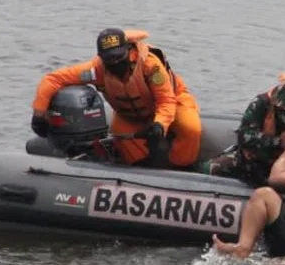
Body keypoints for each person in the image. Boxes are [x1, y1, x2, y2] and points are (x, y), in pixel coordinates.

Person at [31, 28, 202, 168]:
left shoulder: (150, 66)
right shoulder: (96, 70)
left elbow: (166, 100)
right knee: (121, 137)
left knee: (190, 128)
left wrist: (160, 124)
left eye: (118, 57)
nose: (114, 63)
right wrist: (40, 112)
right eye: (109, 59)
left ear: (128, 51)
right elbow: (53, 79)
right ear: (101, 58)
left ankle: (184, 167)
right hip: (131, 115)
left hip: (173, 103)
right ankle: (141, 171)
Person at [203, 74, 285, 187]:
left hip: (279, 170)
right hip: (248, 160)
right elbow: (244, 137)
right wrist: (278, 141)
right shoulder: (261, 105)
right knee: (208, 168)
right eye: (282, 110)